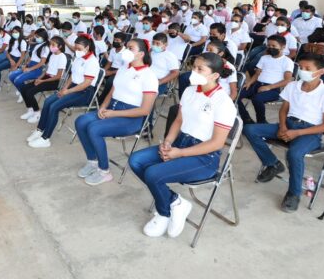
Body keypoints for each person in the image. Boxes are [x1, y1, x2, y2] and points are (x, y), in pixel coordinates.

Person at [130, 53, 236, 238]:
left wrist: (180, 153)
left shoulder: (223, 102)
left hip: (204, 157)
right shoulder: (189, 91)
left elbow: (217, 143)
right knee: (136, 160)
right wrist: (168, 142)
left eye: (200, 69)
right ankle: (175, 202)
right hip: (180, 143)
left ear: (215, 75)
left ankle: (164, 213)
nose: (193, 72)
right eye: (193, 67)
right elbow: (179, 120)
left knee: (153, 173)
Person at [243, 53, 324, 212]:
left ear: (321, 71)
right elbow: (283, 110)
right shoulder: (293, 86)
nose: (303, 71)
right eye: (301, 67)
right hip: (288, 124)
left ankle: (294, 193)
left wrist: (297, 134)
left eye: (308, 68)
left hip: (309, 132)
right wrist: (282, 127)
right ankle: (273, 164)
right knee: (250, 129)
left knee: (294, 154)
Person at [75, 38, 158, 186]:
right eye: (126, 47)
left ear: (141, 54)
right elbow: (113, 91)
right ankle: (92, 161)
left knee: (94, 128)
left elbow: (145, 110)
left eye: (130, 48)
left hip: (131, 117)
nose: (126, 51)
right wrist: (103, 107)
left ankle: (104, 171)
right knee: (81, 121)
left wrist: (114, 114)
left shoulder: (149, 76)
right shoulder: (124, 68)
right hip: (112, 108)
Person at [27, 35, 100, 148]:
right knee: (48, 102)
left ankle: (45, 138)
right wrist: (64, 88)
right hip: (73, 88)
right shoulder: (79, 58)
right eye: (75, 48)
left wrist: (68, 91)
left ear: (87, 47)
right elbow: (72, 76)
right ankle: (40, 129)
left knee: (54, 106)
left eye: (79, 49)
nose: (76, 51)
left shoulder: (92, 61)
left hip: (84, 92)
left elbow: (86, 83)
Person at [238, 35, 294, 124]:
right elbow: (257, 74)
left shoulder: (287, 61)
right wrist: (249, 83)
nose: (270, 48)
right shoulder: (264, 58)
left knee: (257, 99)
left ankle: (261, 121)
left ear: (283, 47)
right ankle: (246, 118)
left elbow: (287, 80)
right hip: (256, 84)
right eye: (268, 46)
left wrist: (269, 87)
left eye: (274, 46)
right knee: (236, 96)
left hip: (273, 89)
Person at [19, 36, 68, 123]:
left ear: (60, 46)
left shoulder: (62, 57)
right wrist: (39, 78)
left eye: (53, 45)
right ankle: (30, 110)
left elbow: (58, 76)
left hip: (54, 81)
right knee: (23, 88)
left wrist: (42, 81)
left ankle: (37, 113)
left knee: (30, 92)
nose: (51, 46)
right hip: (46, 78)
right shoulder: (52, 55)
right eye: (50, 44)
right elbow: (46, 71)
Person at [12, 28, 49, 107]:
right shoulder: (37, 44)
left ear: (43, 37)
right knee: (11, 75)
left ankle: (23, 93)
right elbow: (31, 57)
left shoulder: (45, 47)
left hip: (37, 69)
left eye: (38, 37)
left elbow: (42, 62)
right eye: (36, 36)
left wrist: (29, 69)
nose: (36, 38)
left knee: (18, 80)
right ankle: (22, 92)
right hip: (31, 65)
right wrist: (26, 64)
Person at [98, 32, 128, 104]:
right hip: (112, 68)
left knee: (110, 82)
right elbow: (109, 63)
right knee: (97, 76)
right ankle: (93, 97)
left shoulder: (126, 53)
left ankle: (101, 102)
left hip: (120, 72)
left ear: (123, 42)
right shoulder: (112, 50)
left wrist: (111, 72)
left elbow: (125, 69)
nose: (115, 42)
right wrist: (104, 71)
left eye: (117, 40)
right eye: (114, 40)